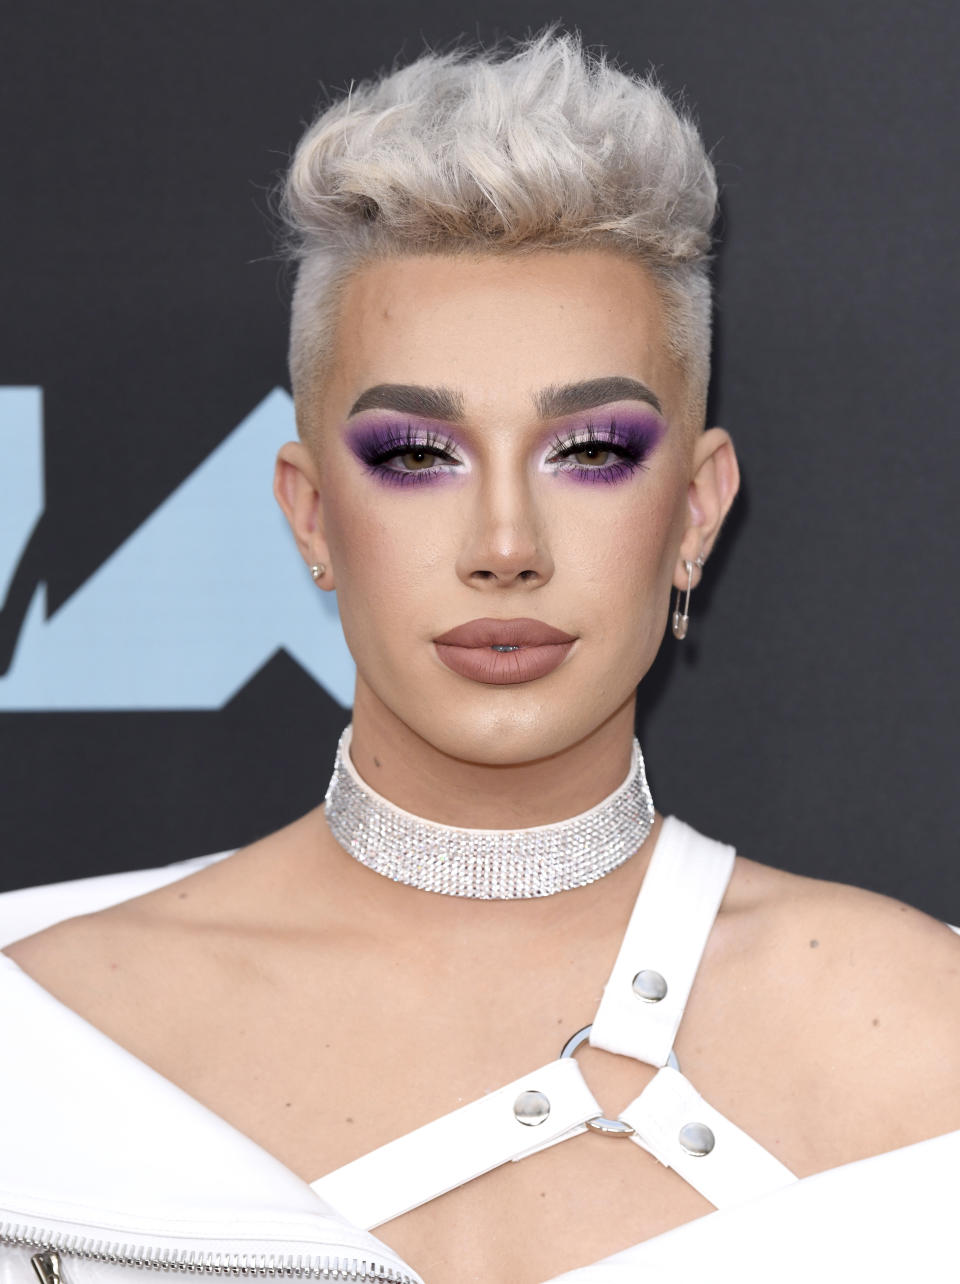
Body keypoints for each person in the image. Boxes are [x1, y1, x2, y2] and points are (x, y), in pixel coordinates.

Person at [1, 30, 958, 1284]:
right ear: (308, 514)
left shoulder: (927, 1039)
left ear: (699, 509)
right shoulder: (39, 1037)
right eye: (414, 456)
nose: (505, 546)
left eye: (591, 451)